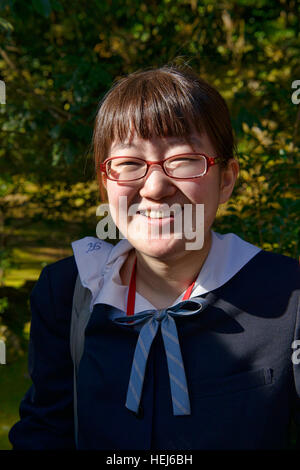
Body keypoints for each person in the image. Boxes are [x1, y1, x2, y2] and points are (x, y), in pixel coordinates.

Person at [9, 65, 300, 450]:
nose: (156, 187)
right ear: (105, 184)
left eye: (183, 160)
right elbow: (47, 433)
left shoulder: (290, 299)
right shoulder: (67, 293)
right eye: (129, 164)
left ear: (226, 178)